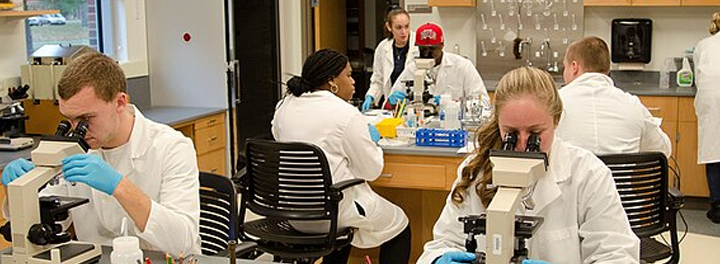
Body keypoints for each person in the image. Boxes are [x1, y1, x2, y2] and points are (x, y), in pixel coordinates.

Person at [417, 67, 639, 264]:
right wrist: (438, 260)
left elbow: (617, 255)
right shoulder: (476, 170)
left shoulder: (588, 174)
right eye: (511, 134)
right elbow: (442, 244)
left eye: (535, 134)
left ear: (556, 121)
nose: (523, 145)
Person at [1, 52, 201, 256]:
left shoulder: (172, 147)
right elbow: (42, 224)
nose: (77, 129)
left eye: (86, 118)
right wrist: (19, 189)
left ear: (120, 103)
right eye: (69, 120)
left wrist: (119, 187)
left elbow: (182, 242)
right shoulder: (72, 150)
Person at [271, 49, 410, 264]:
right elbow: (371, 171)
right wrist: (371, 141)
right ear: (331, 81)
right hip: (331, 212)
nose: (354, 82)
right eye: (349, 75)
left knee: (342, 230)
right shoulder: (345, 113)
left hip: (291, 211)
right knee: (399, 224)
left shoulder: (284, 107)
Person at [556, 36, 672, 157]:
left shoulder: (555, 103)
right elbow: (664, 149)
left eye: (565, 66)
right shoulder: (632, 105)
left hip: (571, 176)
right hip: (617, 176)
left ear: (574, 67)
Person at [388, 23, 490, 107]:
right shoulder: (412, 68)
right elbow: (392, 100)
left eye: (432, 49)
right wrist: (394, 101)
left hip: (453, 124)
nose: (427, 53)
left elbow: (483, 102)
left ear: (442, 45)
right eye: (423, 49)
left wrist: (449, 103)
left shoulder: (462, 66)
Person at [361, 7, 418, 112]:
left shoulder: (419, 45)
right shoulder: (382, 48)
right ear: (389, 27)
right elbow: (378, 80)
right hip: (392, 107)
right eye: (398, 27)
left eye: (406, 26)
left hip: (415, 107)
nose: (404, 32)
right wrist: (371, 96)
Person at [694, 12, 720, 223]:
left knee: (713, 151)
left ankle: (717, 206)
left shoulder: (703, 45)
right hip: (711, 99)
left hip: (711, 101)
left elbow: (697, 77)